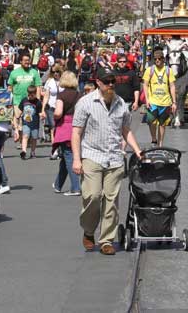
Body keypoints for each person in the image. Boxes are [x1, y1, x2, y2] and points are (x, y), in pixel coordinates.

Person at [71, 71, 144, 255]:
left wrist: (137, 150)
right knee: (93, 196)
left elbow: (125, 130)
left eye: (114, 81)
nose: (111, 85)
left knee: (111, 201)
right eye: (107, 82)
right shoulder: (86, 102)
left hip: (114, 158)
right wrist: (77, 159)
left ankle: (106, 240)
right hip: (92, 156)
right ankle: (89, 231)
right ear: (98, 83)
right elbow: (76, 133)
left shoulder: (120, 104)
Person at [51, 72, 82, 196]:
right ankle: (58, 185)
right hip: (78, 125)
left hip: (66, 126)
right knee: (65, 157)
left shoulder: (62, 95)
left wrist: (53, 116)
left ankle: (75, 187)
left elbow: (58, 113)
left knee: (69, 156)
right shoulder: (80, 95)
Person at [143, 49, 177, 147]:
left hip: (165, 102)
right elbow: (145, 85)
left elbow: (172, 86)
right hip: (153, 101)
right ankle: (154, 139)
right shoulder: (150, 70)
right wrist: (147, 99)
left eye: (159, 59)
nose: (157, 60)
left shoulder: (168, 70)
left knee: (162, 124)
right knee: (151, 121)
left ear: (163, 59)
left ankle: (160, 143)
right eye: (155, 59)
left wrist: (174, 102)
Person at [8, 53, 42, 148]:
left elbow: (38, 86)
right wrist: (9, 99)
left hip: (31, 101)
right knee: (18, 119)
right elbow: (10, 87)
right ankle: (21, 139)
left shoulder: (34, 72)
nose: (27, 62)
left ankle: (26, 139)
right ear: (20, 61)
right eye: (25, 60)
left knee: (29, 119)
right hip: (17, 100)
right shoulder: (14, 73)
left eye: (28, 60)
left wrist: (38, 100)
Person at [18, 85, 43, 159]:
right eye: (29, 94)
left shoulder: (37, 102)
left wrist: (42, 115)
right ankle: (24, 151)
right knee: (25, 136)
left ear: (35, 93)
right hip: (26, 122)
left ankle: (32, 152)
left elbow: (40, 112)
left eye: (33, 95)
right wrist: (17, 118)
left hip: (35, 123)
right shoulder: (24, 100)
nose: (31, 96)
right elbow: (20, 110)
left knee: (34, 138)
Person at [43, 65, 63, 145]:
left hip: (62, 107)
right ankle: (54, 145)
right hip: (51, 107)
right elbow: (46, 96)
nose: (55, 74)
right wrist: (43, 109)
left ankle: (60, 144)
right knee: (53, 126)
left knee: (61, 126)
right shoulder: (49, 81)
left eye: (57, 71)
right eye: (53, 72)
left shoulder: (64, 81)